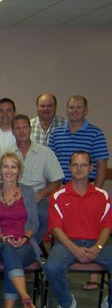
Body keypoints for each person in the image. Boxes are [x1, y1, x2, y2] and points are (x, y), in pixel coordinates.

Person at [44, 151, 112, 308]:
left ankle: (109, 302)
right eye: (75, 165)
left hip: (95, 244)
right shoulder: (58, 196)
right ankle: (66, 303)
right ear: (69, 168)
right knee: (51, 267)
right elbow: (56, 228)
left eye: (83, 165)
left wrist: (97, 248)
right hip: (67, 244)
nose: (79, 168)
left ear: (91, 168)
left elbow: (107, 227)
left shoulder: (102, 196)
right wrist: (74, 249)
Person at [49, 95, 109, 291]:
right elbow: (52, 163)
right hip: (63, 189)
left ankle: (96, 281)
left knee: (92, 230)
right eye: (71, 108)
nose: (74, 111)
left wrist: (95, 190)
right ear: (66, 110)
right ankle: (64, 285)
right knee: (61, 238)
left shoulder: (95, 133)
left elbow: (101, 163)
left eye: (79, 108)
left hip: (89, 188)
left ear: (86, 110)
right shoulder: (57, 133)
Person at [0, 152, 41, 308]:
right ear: (0, 170)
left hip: (26, 244)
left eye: (13, 167)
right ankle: (24, 298)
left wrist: (25, 238)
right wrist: (4, 237)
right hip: (1, 243)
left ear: (19, 171)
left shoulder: (27, 191)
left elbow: (34, 223)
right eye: (5, 166)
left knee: (12, 259)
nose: (9, 170)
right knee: (9, 252)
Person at [0, 114, 63, 244]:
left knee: (44, 215)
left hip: (36, 197)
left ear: (30, 129)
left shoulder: (45, 153)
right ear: (12, 131)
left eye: (24, 127)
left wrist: (42, 193)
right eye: (17, 128)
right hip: (12, 197)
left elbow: (56, 180)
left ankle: (33, 245)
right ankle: (12, 241)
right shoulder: (6, 153)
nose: (21, 131)